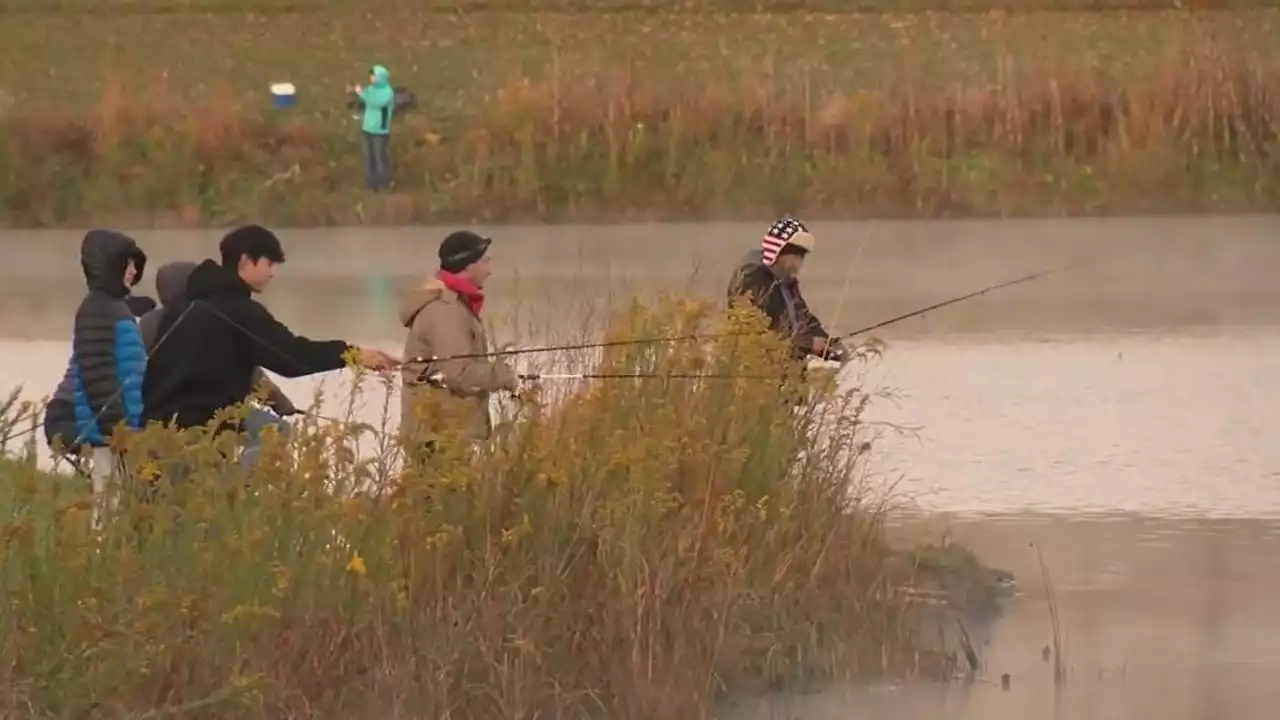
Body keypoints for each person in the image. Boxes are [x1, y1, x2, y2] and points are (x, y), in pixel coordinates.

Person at [141, 225, 398, 464]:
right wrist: (352, 354)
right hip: (198, 431)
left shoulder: (184, 306)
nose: (272, 272)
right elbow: (292, 356)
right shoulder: (239, 310)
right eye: (268, 262)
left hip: (160, 426)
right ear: (244, 261)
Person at [140, 260, 300, 466]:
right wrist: (280, 403)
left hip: (162, 418)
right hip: (214, 413)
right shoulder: (209, 319)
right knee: (279, 431)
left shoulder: (146, 323)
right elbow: (249, 372)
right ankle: (238, 479)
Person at [42, 229, 149, 526]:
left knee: (122, 509)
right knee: (109, 511)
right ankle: (101, 566)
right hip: (110, 435)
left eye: (134, 265)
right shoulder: (97, 310)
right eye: (126, 264)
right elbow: (98, 374)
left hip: (122, 431)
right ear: (109, 265)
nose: (133, 271)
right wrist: (118, 431)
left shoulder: (116, 309)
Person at [399, 230, 517, 452]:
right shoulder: (446, 312)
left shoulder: (455, 305)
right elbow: (459, 374)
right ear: (467, 266)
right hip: (438, 439)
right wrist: (504, 375)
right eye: (485, 262)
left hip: (444, 434)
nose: (490, 270)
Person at [727, 216, 848, 365]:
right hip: (758, 373)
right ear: (778, 252)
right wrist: (809, 344)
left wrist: (827, 343)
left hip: (789, 374)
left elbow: (803, 318)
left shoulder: (786, 280)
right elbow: (761, 331)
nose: (797, 264)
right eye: (794, 256)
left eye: (801, 257)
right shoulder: (752, 278)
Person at [349, 64, 395, 192]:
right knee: (368, 158)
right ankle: (370, 185)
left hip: (380, 130)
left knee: (380, 158)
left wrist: (361, 93)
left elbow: (376, 103)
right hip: (367, 128)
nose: (371, 78)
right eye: (370, 76)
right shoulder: (370, 89)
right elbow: (365, 101)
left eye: (373, 76)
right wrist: (355, 94)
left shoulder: (388, 92)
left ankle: (383, 185)